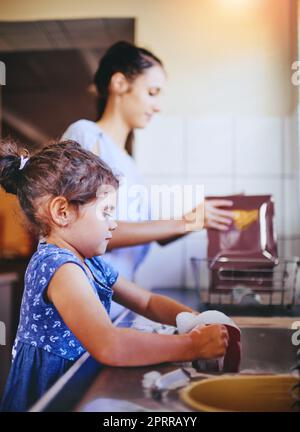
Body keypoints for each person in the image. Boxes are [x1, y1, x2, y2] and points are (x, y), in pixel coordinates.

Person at [0, 139, 229, 412]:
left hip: (75, 387)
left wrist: (193, 320)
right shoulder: (60, 268)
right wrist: (192, 345)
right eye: (106, 212)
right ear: (62, 212)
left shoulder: (91, 263)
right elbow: (110, 345)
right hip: (49, 397)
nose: (114, 223)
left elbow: (147, 302)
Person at [62, 41, 234, 288]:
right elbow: (85, 230)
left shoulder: (129, 163)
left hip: (118, 301)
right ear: (120, 83)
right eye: (152, 93)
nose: (158, 106)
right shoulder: (86, 135)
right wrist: (187, 221)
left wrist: (200, 218)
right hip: (85, 303)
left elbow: (150, 234)